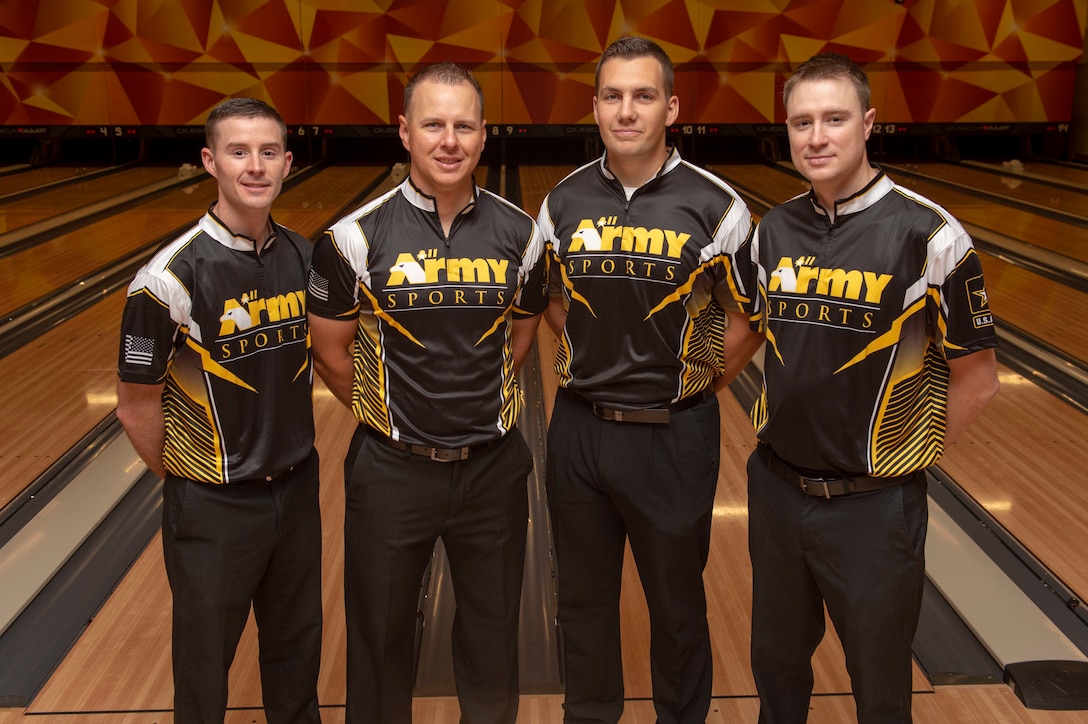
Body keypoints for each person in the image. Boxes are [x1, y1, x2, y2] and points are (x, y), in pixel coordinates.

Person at [747, 52, 1000, 723]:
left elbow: (979, 380)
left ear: (868, 124)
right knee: (775, 666)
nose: (817, 136)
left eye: (833, 118)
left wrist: (900, 459)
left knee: (880, 685)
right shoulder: (773, 230)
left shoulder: (928, 235)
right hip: (776, 491)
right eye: (802, 122)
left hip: (873, 508)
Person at [307, 62, 548, 724]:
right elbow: (330, 349)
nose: (449, 140)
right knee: (380, 644)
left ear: (483, 135)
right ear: (405, 131)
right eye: (434, 124)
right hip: (391, 473)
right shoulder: (354, 238)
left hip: (493, 469)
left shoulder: (523, 236)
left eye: (463, 125)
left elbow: (520, 340)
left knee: (493, 645)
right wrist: (389, 421)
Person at [537, 36, 764, 724]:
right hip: (578, 429)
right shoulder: (562, 202)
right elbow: (550, 298)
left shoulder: (717, 207)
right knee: (581, 602)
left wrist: (693, 384)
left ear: (671, 107)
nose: (626, 111)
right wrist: (591, 354)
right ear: (595, 107)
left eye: (642, 96)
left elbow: (748, 317)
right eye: (612, 96)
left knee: (676, 605)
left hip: (673, 436)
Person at [115, 97, 321, 724]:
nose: (254, 166)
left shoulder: (306, 258)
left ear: (287, 163)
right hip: (213, 507)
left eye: (267, 152)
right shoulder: (168, 279)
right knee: (204, 680)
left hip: (295, 489)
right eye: (238, 152)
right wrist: (192, 484)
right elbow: (134, 407)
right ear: (210, 161)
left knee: (296, 662)